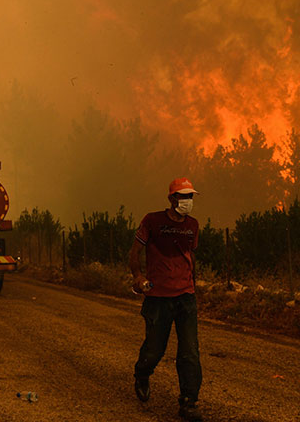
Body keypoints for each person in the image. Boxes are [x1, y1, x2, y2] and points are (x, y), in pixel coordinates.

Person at [129, 177, 203, 421]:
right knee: (154, 349)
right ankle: (142, 373)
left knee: (190, 351)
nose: (187, 201)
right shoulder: (152, 221)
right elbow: (135, 251)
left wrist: (193, 284)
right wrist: (138, 276)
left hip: (186, 297)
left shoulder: (193, 225)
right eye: (183, 197)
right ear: (172, 199)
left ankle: (189, 401)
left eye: (190, 197)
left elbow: (190, 256)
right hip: (158, 298)